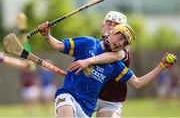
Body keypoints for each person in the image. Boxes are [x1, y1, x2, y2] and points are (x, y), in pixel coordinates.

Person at [38, 20, 176, 117]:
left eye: (124, 42)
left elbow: (138, 83)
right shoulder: (88, 43)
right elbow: (57, 45)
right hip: (68, 95)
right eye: (119, 36)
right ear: (110, 32)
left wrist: (162, 66)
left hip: (86, 108)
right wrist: (46, 35)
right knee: (65, 109)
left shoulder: (115, 65)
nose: (119, 42)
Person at [68, 11, 131, 118]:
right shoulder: (96, 44)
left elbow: (116, 56)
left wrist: (88, 61)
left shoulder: (122, 49)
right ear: (103, 25)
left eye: (116, 25)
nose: (111, 27)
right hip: (90, 96)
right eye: (109, 23)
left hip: (111, 99)